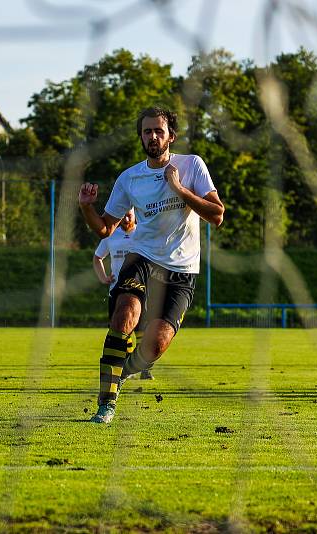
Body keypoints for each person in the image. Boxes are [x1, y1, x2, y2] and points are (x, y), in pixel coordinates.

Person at [78, 106, 224, 423]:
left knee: (154, 347)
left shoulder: (192, 165)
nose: (153, 136)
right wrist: (86, 208)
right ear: (141, 137)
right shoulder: (130, 178)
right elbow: (105, 228)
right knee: (124, 315)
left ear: (171, 135)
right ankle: (106, 404)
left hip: (182, 271)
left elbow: (217, 214)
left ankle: (126, 370)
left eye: (159, 131)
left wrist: (180, 189)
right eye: (147, 131)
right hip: (142, 257)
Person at [93, 209, 153, 380]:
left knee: (142, 330)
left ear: (135, 216)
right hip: (116, 290)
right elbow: (97, 258)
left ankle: (144, 369)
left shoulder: (143, 234)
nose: (126, 218)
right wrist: (103, 277)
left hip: (139, 290)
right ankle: (124, 365)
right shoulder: (111, 236)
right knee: (120, 329)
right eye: (124, 215)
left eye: (130, 215)